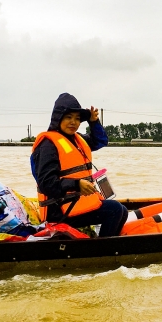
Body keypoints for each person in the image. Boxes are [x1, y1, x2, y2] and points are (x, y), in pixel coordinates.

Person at [30, 93, 127, 237]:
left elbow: (100, 141)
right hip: (58, 211)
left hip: (73, 203)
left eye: (77, 118)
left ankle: (109, 248)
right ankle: (102, 253)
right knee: (115, 210)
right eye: (68, 117)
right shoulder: (48, 145)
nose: (73, 122)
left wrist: (93, 122)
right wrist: (76, 184)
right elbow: (47, 183)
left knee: (123, 210)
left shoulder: (77, 139)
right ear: (58, 118)